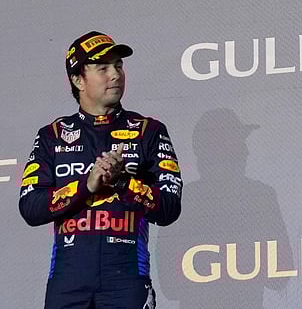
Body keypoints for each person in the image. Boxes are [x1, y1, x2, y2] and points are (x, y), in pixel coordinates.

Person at [19, 31, 183, 309]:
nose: (116, 75)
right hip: (66, 284)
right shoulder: (53, 135)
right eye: (103, 68)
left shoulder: (149, 131)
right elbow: (30, 207)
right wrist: (87, 185)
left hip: (127, 280)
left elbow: (169, 208)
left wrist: (123, 182)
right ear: (77, 79)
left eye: (118, 65)